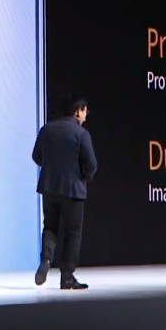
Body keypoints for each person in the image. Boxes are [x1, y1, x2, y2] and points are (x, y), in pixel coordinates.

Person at [31, 96, 97, 290]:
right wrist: (85, 176)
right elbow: (91, 164)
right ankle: (67, 277)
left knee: (50, 227)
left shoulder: (47, 129)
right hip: (73, 190)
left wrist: (51, 168)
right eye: (84, 110)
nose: (86, 115)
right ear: (77, 112)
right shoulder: (81, 134)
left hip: (49, 187)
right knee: (72, 233)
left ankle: (46, 260)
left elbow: (36, 155)